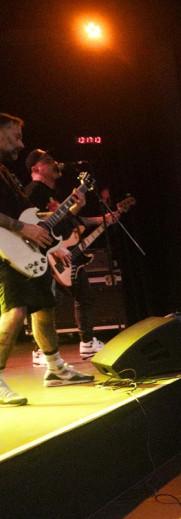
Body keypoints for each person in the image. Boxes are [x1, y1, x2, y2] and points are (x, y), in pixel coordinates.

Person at [0, 113, 95, 405]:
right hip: (6, 251)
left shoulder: (6, 173)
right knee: (15, 312)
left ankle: (55, 368)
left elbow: (31, 217)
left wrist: (55, 241)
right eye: (16, 137)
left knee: (43, 309)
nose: (21, 144)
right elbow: (22, 223)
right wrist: (22, 228)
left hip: (25, 249)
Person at [24, 149, 121, 360]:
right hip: (49, 254)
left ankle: (87, 342)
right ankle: (41, 350)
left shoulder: (54, 193)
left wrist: (91, 213)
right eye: (49, 160)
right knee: (46, 304)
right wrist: (54, 248)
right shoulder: (33, 191)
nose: (55, 163)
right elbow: (30, 224)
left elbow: (66, 221)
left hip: (68, 251)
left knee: (84, 295)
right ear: (36, 168)